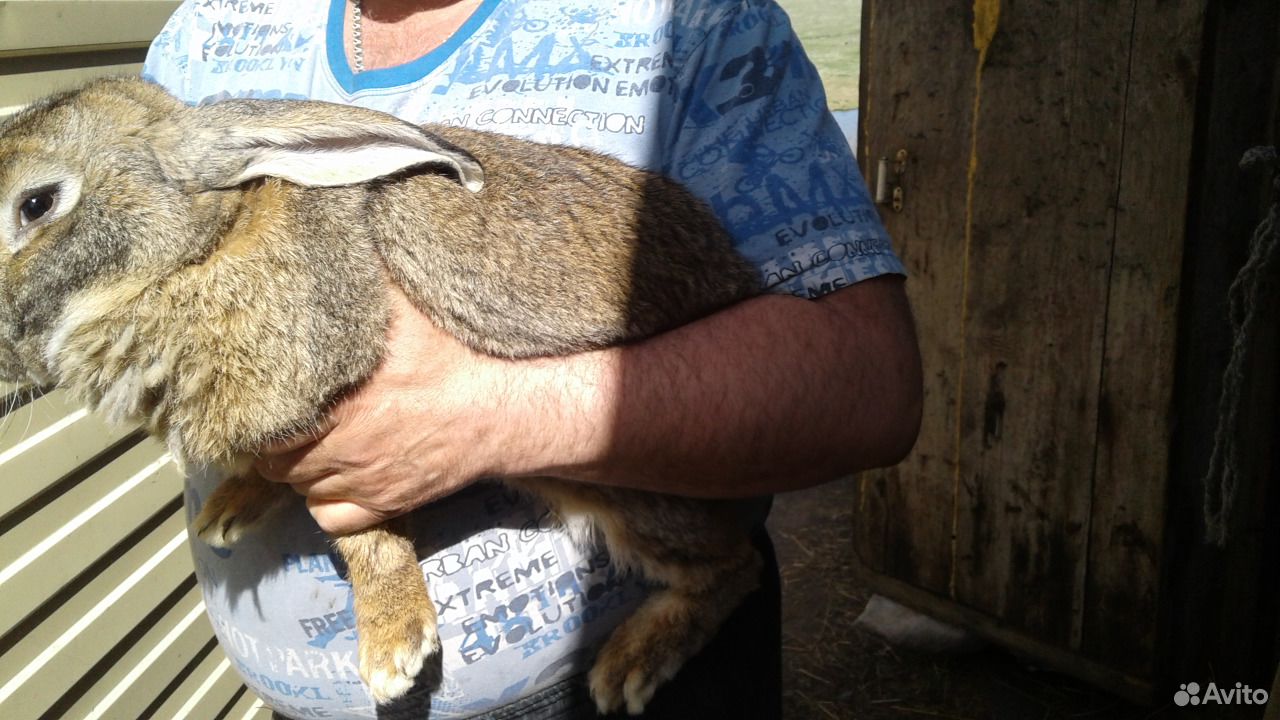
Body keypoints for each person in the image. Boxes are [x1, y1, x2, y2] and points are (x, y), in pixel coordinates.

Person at [143, 1, 922, 718]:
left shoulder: (693, 22)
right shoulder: (207, 37)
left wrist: (484, 418)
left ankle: (703, 589)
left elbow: (869, 386)